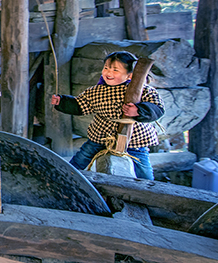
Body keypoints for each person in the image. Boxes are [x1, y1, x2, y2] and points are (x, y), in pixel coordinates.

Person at [50, 51, 163, 180]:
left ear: (129, 75)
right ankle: (68, 178)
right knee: (81, 158)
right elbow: (80, 105)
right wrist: (62, 102)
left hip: (134, 139)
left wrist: (138, 111)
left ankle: (148, 188)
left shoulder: (144, 90)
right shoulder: (97, 91)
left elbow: (158, 109)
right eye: (106, 68)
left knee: (142, 167)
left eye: (115, 70)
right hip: (102, 136)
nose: (109, 73)